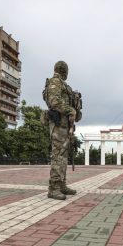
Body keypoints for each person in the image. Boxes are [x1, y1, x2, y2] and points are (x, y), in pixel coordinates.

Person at [43, 61, 81, 200]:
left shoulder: (65, 85)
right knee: (58, 156)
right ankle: (53, 189)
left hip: (65, 126)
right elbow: (54, 101)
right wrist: (70, 110)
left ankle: (62, 185)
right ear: (64, 70)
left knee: (63, 157)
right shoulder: (55, 82)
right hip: (58, 125)